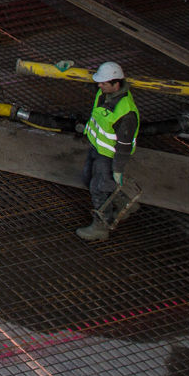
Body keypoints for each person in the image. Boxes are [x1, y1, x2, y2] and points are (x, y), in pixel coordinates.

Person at [76, 61, 140, 242]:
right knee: (88, 178)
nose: (99, 85)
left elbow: (124, 145)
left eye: (103, 83)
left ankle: (100, 227)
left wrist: (118, 169)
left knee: (98, 188)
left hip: (109, 156)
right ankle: (124, 203)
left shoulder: (125, 113)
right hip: (97, 148)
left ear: (116, 83)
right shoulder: (105, 93)